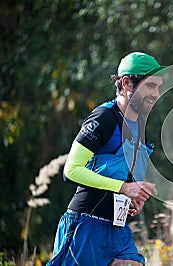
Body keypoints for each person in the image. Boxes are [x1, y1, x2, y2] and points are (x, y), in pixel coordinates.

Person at [47, 52, 166, 266]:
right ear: (127, 83)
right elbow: (72, 169)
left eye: (158, 87)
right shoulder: (104, 118)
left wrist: (134, 195)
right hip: (85, 225)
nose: (156, 94)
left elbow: (114, 170)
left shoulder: (138, 124)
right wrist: (123, 187)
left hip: (117, 228)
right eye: (150, 86)